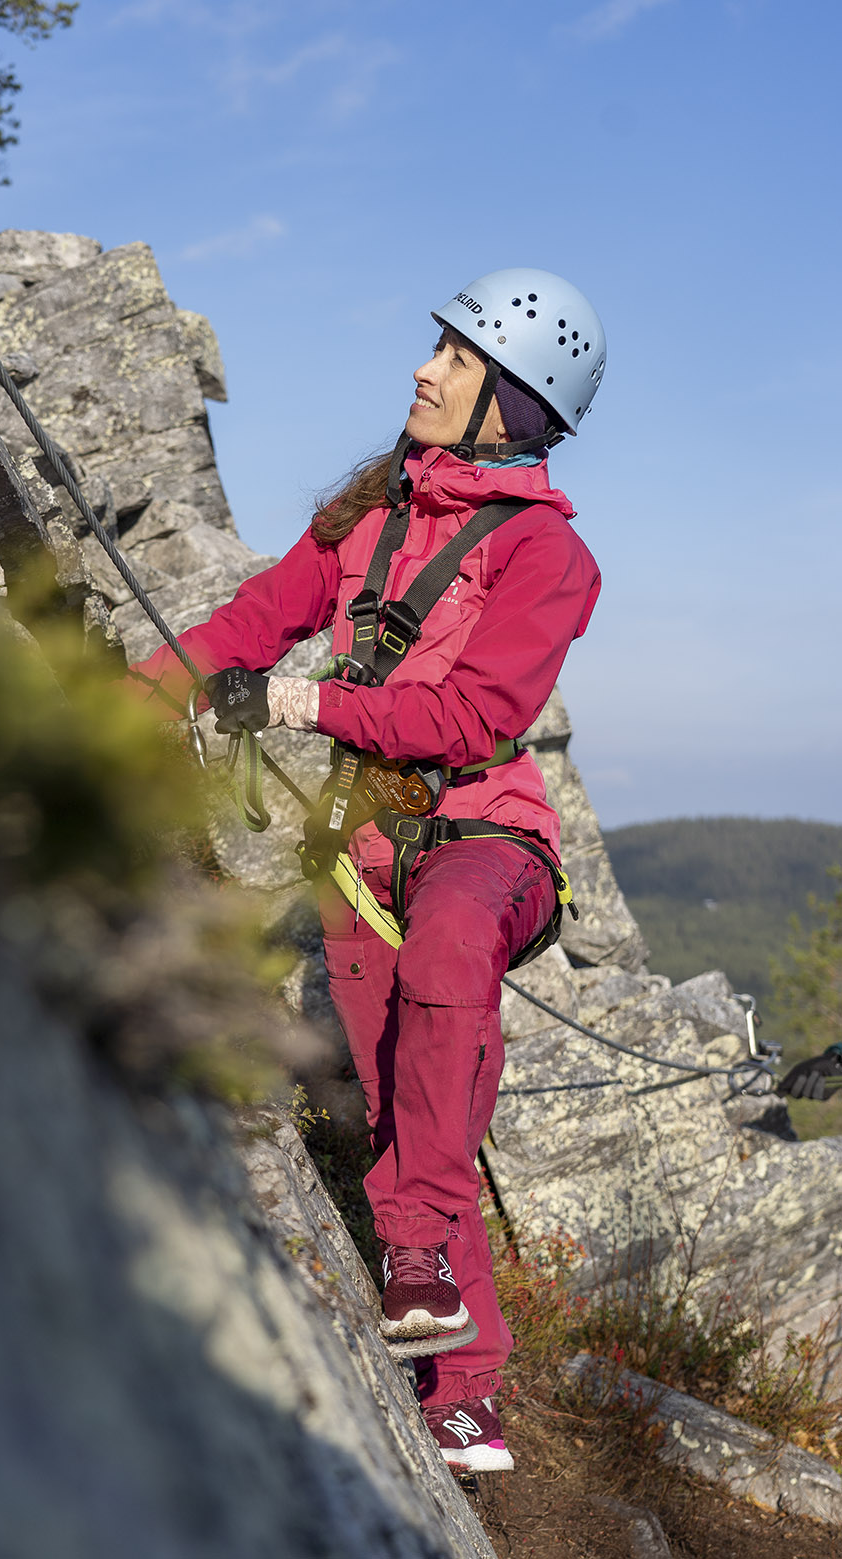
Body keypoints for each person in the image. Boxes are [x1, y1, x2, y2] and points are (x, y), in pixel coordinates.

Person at [130, 269, 605, 1473]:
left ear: (511, 404)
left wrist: (292, 700)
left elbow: (468, 711)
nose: (423, 369)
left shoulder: (548, 556)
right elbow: (254, 617)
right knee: (413, 1109)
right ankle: (462, 1392)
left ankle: (430, 1291)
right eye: (434, 349)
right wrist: (140, 690)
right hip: (366, 850)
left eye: (455, 358)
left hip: (489, 842)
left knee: (447, 971)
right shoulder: (366, 513)